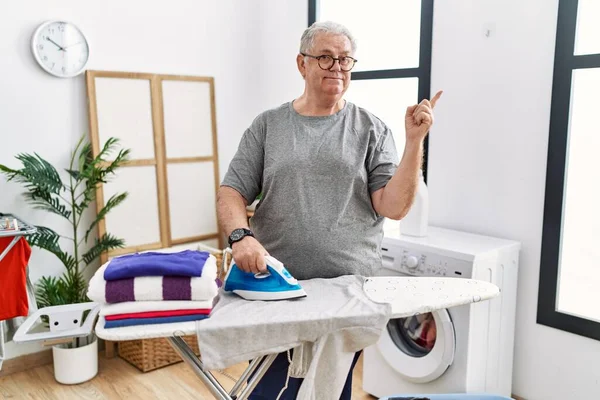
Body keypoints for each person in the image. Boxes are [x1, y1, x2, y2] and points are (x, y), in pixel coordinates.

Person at [217, 21, 442, 400]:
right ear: (302, 64)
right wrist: (241, 238)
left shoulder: (371, 129)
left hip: (347, 292)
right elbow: (231, 192)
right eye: (325, 57)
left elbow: (393, 206)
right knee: (271, 388)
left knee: (331, 388)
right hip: (277, 288)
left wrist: (414, 142)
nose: (337, 66)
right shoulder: (269, 126)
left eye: (345, 59)